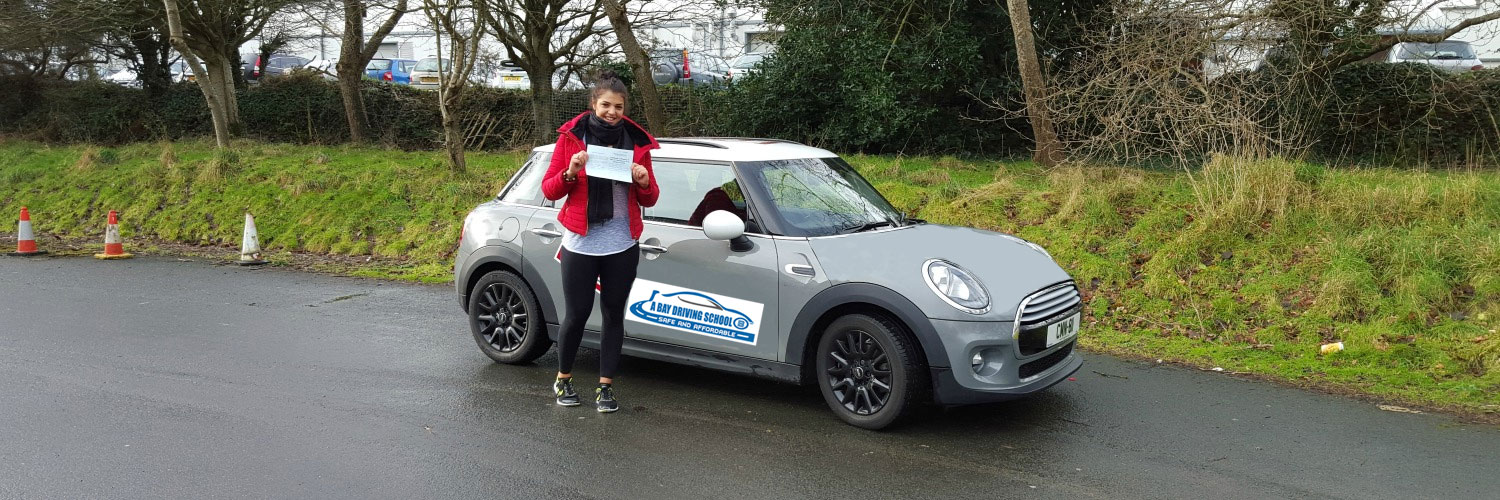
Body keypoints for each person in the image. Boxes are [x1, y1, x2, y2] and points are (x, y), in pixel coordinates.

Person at [539, 70, 660, 413]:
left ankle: (605, 387)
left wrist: (643, 181)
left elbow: (650, 198)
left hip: (622, 243)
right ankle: (563, 378)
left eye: (618, 107)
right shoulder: (572, 139)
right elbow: (549, 189)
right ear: (593, 103)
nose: (612, 112)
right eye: (606, 105)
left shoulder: (636, 142)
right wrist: (571, 172)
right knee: (577, 315)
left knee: (613, 315)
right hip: (581, 243)